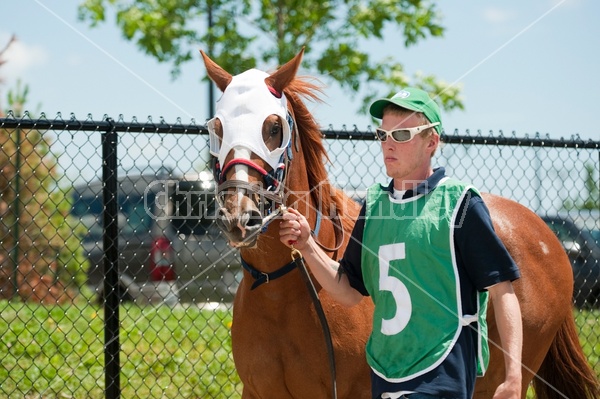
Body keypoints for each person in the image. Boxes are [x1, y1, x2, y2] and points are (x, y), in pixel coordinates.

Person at [279, 87, 523, 399]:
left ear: (431, 142)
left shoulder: (459, 203)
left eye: (403, 134)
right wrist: (307, 245)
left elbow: (503, 290)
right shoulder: (376, 203)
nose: (388, 144)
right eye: (383, 135)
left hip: (440, 375)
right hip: (384, 376)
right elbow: (349, 290)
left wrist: (514, 375)